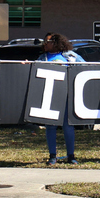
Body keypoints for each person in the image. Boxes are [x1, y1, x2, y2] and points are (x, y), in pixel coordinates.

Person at [38, 33, 84, 165]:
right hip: (49, 96)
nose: (44, 44)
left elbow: (87, 67)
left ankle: (71, 156)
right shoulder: (43, 58)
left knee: (68, 126)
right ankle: (52, 156)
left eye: (48, 41)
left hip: (67, 95)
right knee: (50, 126)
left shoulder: (71, 56)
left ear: (57, 42)